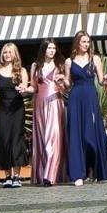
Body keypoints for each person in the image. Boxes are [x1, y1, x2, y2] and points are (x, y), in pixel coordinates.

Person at [65, 31, 107, 186]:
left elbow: (100, 81)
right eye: (83, 41)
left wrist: (106, 79)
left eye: (88, 42)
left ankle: (95, 169)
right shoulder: (69, 62)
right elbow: (67, 84)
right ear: (77, 43)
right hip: (75, 98)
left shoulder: (95, 59)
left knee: (90, 135)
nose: (86, 44)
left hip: (90, 97)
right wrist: (61, 81)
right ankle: (78, 173)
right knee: (76, 134)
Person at [0, 42, 31, 188]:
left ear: (15, 54)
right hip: (3, 109)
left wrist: (23, 89)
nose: (7, 55)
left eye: (10, 52)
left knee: (16, 140)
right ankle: (7, 176)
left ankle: (17, 176)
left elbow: (25, 92)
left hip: (17, 109)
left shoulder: (22, 71)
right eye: (5, 52)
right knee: (4, 140)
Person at [31, 40, 67, 186]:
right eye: (48, 48)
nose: (51, 51)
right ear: (43, 50)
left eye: (53, 48)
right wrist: (22, 90)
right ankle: (42, 172)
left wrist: (63, 81)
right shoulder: (35, 66)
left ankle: (51, 175)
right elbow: (33, 88)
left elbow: (66, 87)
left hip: (55, 102)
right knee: (41, 137)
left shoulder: (60, 66)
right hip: (39, 103)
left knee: (53, 137)